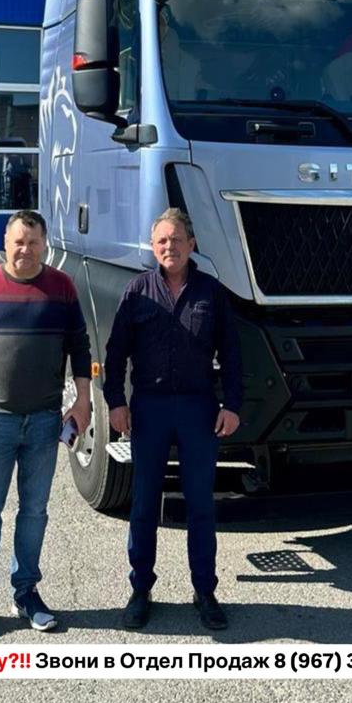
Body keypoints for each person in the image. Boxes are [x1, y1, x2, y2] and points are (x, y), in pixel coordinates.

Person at [0, 209, 91, 641]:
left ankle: (26, 593)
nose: (25, 249)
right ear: (5, 244)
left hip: (45, 421)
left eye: (33, 242)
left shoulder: (61, 287)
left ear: (44, 245)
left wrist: (83, 401)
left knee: (34, 512)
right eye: (18, 242)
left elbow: (80, 346)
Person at [104, 207, 243, 632]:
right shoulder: (137, 291)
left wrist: (232, 404)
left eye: (177, 240)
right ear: (153, 247)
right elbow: (115, 353)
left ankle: (205, 591)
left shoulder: (211, 292)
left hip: (199, 409)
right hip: (150, 408)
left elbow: (233, 353)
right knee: (144, 503)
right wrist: (116, 402)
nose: (170, 247)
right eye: (162, 241)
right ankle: (140, 589)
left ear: (191, 244)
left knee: (200, 504)